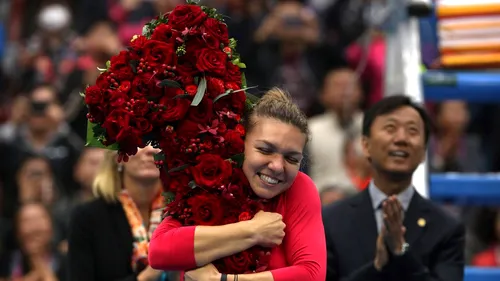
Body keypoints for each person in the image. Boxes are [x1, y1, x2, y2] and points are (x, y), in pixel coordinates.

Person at [148, 88, 326, 281]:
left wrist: (223, 280)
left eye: (291, 159)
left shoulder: (299, 187)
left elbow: (312, 274)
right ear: (241, 140)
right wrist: (253, 230)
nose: (277, 166)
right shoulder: (212, 176)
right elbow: (160, 252)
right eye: (265, 150)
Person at [323, 95, 465, 281]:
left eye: (412, 131)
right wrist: (377, 267)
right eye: (390, 128)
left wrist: (400, 251)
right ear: (366, 146)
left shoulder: (447, 228)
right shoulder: (331, 220)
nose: (401, 138)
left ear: (423, 153)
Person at [68, 146, 171, 281]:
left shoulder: (185, 210)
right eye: (140, 141)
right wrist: (144, 278)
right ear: (117, 157)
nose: (150, 149)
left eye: (157, 142)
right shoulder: (87, 217)